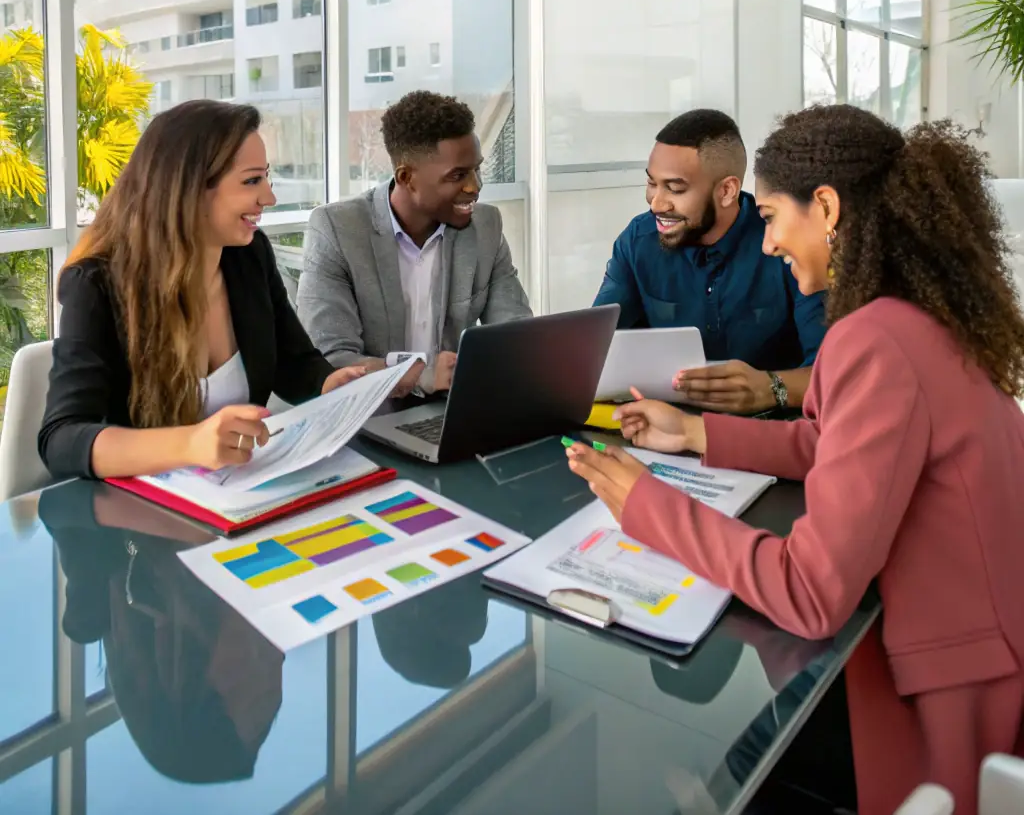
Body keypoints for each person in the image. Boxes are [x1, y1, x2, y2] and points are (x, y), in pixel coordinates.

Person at [567, 107, 1024, 815]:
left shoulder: (873, 339)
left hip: (952, 693)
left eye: (774, 216)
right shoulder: (914, 315)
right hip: (983, 646)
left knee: (743, 767)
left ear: (828, 209)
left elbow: (810, 593)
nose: (770, 240)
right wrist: (696, 433)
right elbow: (832, 442)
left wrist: (646, 506)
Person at [39, 101, 364, 482]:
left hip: (238, 494)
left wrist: (329, 384)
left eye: (267, 178)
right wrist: (191, 444)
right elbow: (61, 439)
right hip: (135, 508)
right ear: (188, 189)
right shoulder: (94, 283)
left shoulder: (249, 256)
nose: (269, 198)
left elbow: (294, 363)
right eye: (251, 181)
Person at [39, 478, 284, 785]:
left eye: (248, 673)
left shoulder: (98, 599)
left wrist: (198, 529)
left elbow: (58, 501)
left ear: (182, 673)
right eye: (276, 669)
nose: (272, 654)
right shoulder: (268, 579)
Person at [298, 91, 531, 399]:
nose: (475, 186)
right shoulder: (338, 229)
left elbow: (517, 335)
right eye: (458, 175)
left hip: (452, 409)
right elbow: (330, 358)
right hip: (372, 412)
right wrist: (421, 374)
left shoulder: (485, 226)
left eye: (476, 169)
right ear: (406, 177)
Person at [594, 109, 825, 415]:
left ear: (726, 191)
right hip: (667, 426)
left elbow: (833, 374)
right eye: (652, 183)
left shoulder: (784, 245)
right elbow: (593, 350)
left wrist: (769, 388)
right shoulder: (637, 242)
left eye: (675, 188)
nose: (656, 203)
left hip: (775, 427)